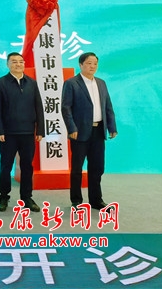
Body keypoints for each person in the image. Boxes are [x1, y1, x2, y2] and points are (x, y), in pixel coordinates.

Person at [61, 52, 117, 209]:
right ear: (81, 65)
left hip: (98, 131)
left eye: (95, 63)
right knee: (77, 168)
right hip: (79, 132)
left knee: (97, 168)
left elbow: (108, 106)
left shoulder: (101, 83)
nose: (92, 66)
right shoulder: (71, 83)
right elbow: (65, 108)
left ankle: (96, 200)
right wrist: (71, 128)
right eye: (89, 63)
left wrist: (112, 127)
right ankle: (76, 200)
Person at [0, 52, 44, 213]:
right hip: (7, 134)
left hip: (28, 133)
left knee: (27, 166)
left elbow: (39, 107)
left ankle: (27, 197)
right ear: (8, 64)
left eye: (21, 61)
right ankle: (3, 197)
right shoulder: (0, 83)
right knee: (6, 166)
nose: (18, 64)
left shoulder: (32, 83)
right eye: (14, 62)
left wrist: (40, 130)